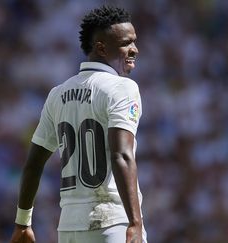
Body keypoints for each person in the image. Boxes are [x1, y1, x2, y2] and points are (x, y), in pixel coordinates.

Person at [10, 5, 146, 243]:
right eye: (126, 43)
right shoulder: (122, 88)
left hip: (69, 229)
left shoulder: (57, 94)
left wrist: (23, 223)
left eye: (134, 41)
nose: (134, 49)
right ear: (101, 48)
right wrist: (135, 222)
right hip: (112, 223)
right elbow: (121, 156)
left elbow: (33, 164)